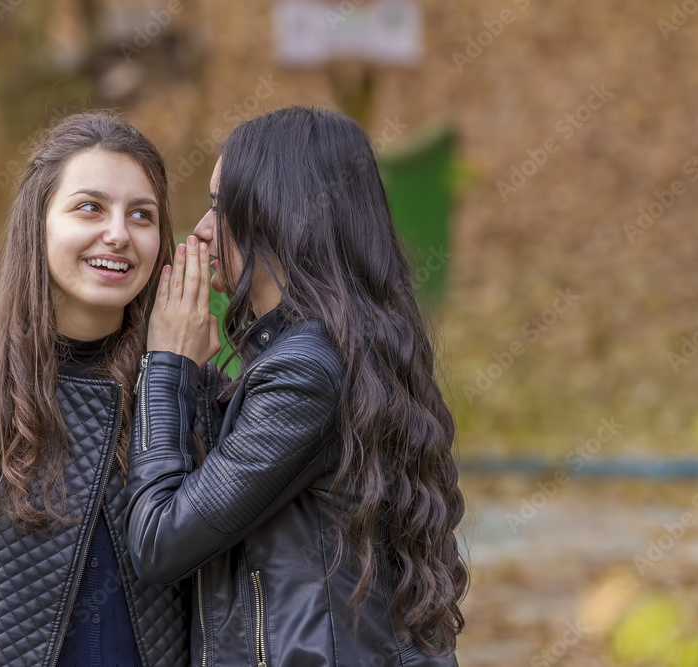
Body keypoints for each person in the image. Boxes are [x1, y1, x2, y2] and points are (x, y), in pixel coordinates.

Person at [125, 106, 467, 666]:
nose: (202, 230)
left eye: (218, 205)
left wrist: (165, 364)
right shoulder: (340, 348)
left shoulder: (307, 370)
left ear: (275, 212)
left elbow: (160, 542)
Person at [0, 111, 190, 666]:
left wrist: (174, 371)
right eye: (89, 207)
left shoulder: (185, 390)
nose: (118, 233)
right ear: (38, 223)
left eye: (141, 215)